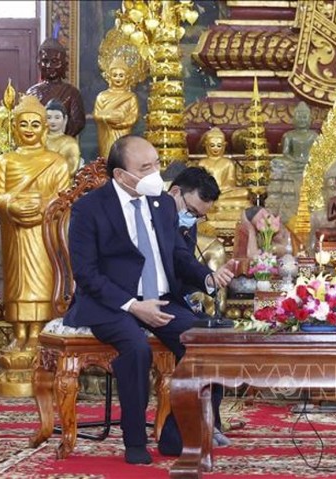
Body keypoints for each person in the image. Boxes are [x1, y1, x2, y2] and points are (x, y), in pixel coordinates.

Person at [63, 135, 236, 464]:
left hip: (161, 299)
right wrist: (132, 306)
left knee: (207, 343)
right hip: (112, 303)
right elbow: (85, 273)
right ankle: (135, 441)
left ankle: (176, 434)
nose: (156, 172)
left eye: (157, 163)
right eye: (146, 168)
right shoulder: (89, 208)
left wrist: (206, 277)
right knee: (137, 349)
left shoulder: (163, 203)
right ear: (121, 175)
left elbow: (177, 255)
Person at [0, 95, 71, 352]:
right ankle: (19, 332)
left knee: (41, 280)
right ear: (15, 128)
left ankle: (36, 333)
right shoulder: (5, 161)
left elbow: (64, 197)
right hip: (14, 231)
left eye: (35, 124)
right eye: (23, 124)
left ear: (45, 128)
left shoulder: (57, 162)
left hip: (42, 232)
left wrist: (41, 206)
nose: (29, 130)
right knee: (17, 281)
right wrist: (12, 205)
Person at [167, 166, 234, 447]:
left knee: (217, 336)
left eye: (199, 215)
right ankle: (185, 428)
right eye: (193, 211)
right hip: (144, 301)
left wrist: (207, 282)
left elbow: (183, 265)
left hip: (177, 296)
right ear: (175, 193)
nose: (194, 218)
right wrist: (206, 277)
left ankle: (211, 420)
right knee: (200, 342)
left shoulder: (186, 219)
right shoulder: (150, 215)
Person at [266, 101, 319, 221]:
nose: (302, 120)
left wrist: (308, 161)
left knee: (323, 164)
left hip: (309, 163)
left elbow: (317, 154)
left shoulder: (314, 135)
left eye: (305, 117)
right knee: (276, 162)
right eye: (299, 117)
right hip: (293, 163)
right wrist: (296, 160)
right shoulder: (289, 135)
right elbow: (286, 153)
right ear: (294, 119)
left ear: (310, 119)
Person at [26, 37, 85, 137]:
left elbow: (78, 123)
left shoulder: (71, 93)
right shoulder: (32, 92)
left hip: (62, 146)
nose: (49, 66)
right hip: (37, 145)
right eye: (45, 61)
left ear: (64, 65)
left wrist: (57, 135)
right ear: (39, 63)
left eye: (54, 61)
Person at [196, 127, 252, 225]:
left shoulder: (228, 163)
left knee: (244, 193)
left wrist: (221, 189)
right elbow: (200, 183)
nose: (215, 149)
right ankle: (211, 204)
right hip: (208, 193)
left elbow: (231, 182)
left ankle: (214, 205)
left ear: (224, 145)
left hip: (223, 193)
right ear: (206, 145)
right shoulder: (202, 163)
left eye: (219, 145)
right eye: (212, 145)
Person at [93, 58, 139, 159]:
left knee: (122, 156)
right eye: (115, 75)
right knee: (107, 156)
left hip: (123, 131)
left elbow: (133, 116)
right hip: (106, 132)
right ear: (109, 77)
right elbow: (97, 114)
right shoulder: (102, 96)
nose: (118, 78)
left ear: (126, 78)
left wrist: (121, 124)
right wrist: (108, 118)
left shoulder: (131, 97)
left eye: (121, 75)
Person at [45, 99, 81, 176]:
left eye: (57, 117)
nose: (52, 121)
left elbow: (72, 169)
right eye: (49, 117)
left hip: (61, 181)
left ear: (65, 119)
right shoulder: (39, 140)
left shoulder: (70, 143)